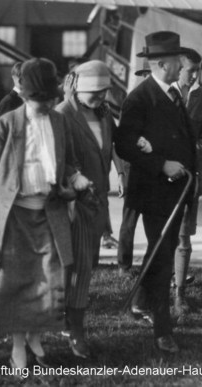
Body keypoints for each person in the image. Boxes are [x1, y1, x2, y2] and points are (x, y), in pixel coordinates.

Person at [0, 57, 90, 372]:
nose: (43, 105)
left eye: (48, 100)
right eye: (36, 100)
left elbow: (69, 162)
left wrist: (76, 177)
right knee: (14, 285)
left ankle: (36, 336)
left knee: (48, 283)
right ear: (23, 95)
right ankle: (18, 345)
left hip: (50, 214)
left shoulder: (60, 122)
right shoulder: (5, 125)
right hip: (15, 218)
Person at [114, 31, 195, 353]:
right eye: (177, 60)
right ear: (163, 63)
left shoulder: (174, 93)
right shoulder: (140, 98)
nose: (182, 65)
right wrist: (161, 165)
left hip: (176, 192)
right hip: (153, 193)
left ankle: (139, 301)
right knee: (162, 259)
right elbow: (123, 144)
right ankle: (163, 329)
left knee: (161, 250)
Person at [55, 60, 124, 359]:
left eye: (104, 92)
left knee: (87, 264)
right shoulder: (63, 115)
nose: (99, 98)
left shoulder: (104, 114)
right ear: (77, 88)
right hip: (74, 203)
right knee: (80, 269)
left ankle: (67, 320)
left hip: (98, 202)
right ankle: (76, 333)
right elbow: (58, 158)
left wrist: (121, 174)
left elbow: (111, 150)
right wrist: (77, 179)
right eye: (94, 93)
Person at [170, 48, 202, 316]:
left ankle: (179, 294)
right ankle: (154, 290)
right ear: (178, 68)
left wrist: (193, 152)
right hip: (163, 176)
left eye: (198, 69)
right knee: (162, 235)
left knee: (184, 237)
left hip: (190, 178)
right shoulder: (164, 93)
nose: (196, 75)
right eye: (191, 70)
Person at [116, 60, 152, 278]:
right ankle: (123, 265)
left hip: (152, 170)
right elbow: (124, 138)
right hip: (135, 169)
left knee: (153, 220)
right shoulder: (135, 99)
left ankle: (151, 263)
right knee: (130, 220)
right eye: (147, 74)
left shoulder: (159, 98)